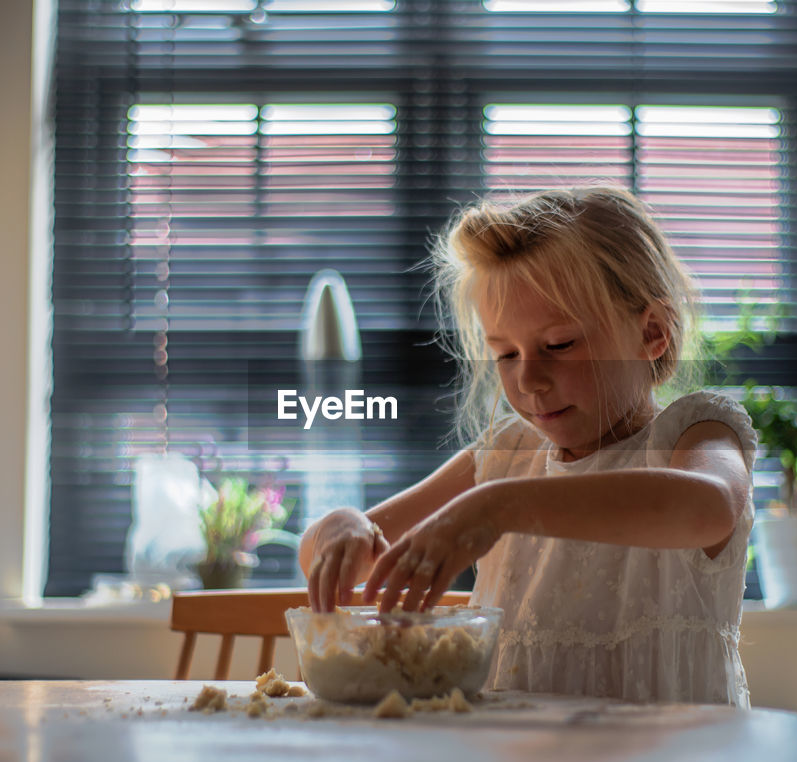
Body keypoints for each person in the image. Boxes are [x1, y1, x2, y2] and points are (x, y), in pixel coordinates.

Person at [298, 186, 757, 705]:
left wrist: (499, 510)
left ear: (652, 331)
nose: (529, 379)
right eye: (505, 354)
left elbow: (709, 507)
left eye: (559, 345)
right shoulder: (507, 455)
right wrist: (344, 525)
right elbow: (324, 554)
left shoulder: (696, 433)